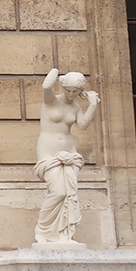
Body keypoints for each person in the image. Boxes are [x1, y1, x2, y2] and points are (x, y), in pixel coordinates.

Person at [34, 68, 99, 245]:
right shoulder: (51, 101)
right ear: (62, 87)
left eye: (75, 91)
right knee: (58, 192)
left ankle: (64, 235)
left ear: (80, 91)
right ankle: (43, 231)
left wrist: (92, 104)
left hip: (71, 153)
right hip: (49, 152)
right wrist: (56, 70)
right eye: (68, 90)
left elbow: (84, 125)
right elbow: (46, 86)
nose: (71, 94)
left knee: (70, 195)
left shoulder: (76, 106)